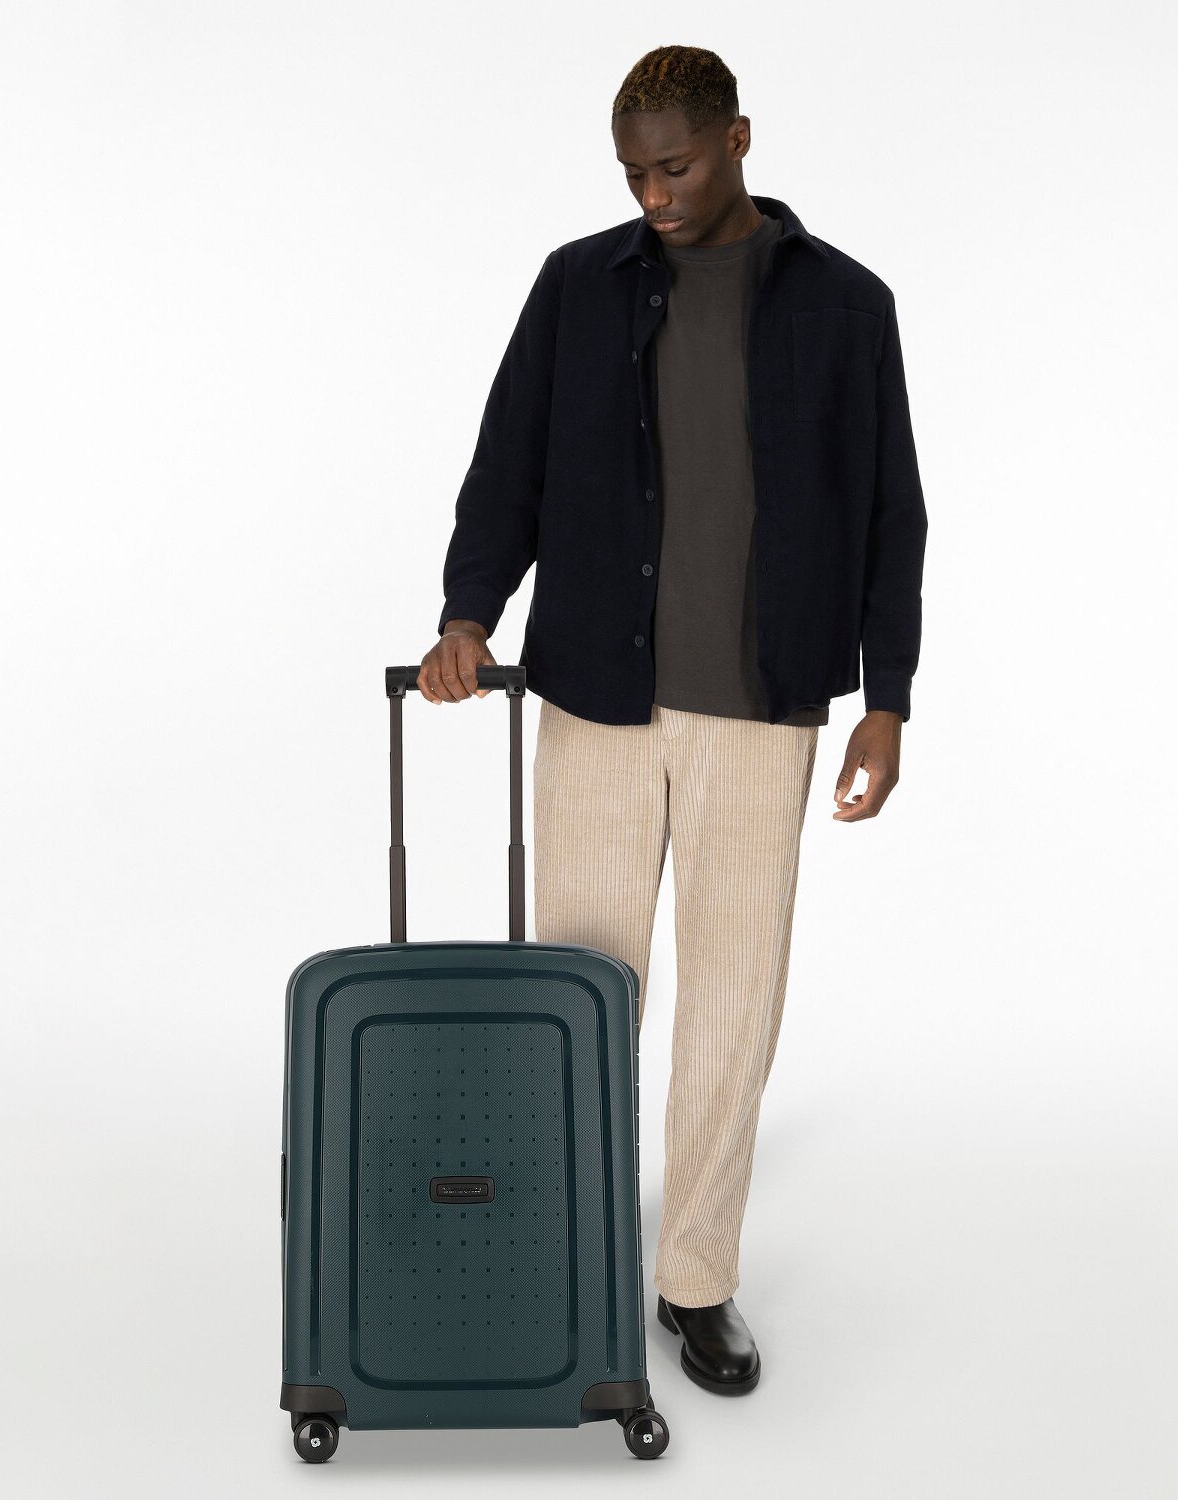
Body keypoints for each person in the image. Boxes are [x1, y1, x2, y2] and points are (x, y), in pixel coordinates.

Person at [417, 43, 927, 1396]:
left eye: (677, 166)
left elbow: (892, 510)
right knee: (583, 994)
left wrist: (887, 698)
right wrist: (469, 612)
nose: (653, 193)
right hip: (597, 691)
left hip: (764, 704)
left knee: (732, 1006)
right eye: (633, 172)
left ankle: (694, 1279)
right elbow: (507, 462)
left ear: (739, 139)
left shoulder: (846, 304)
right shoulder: (577, 286)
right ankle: (562, 1249)